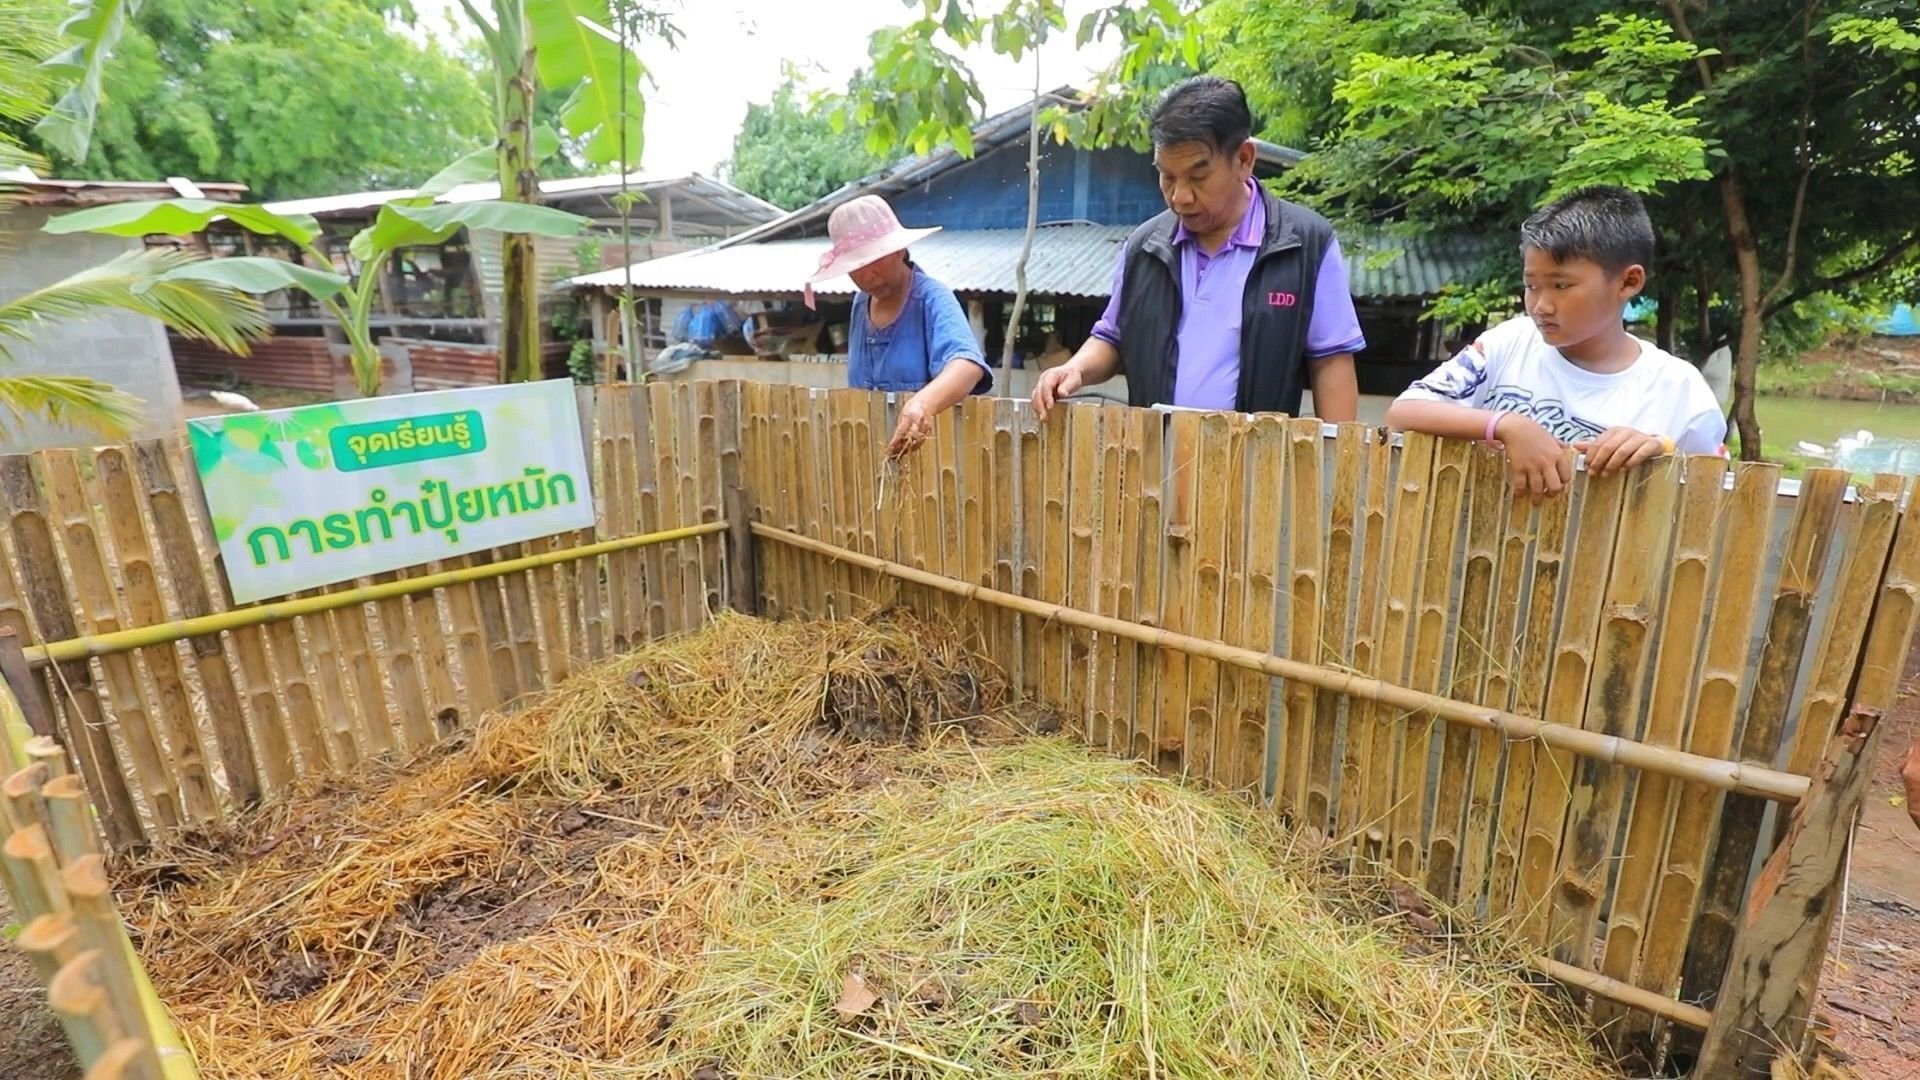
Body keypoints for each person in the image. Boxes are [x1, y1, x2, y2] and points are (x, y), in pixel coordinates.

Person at [1031, 76, 1366, 420]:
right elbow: (1114, 337)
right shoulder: (1144, 248)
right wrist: (1076, 369)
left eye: (1198, 177)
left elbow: (1330, 363)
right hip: (1154, 463)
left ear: (1244, 159)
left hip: (1253, 465)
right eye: (1167, 177)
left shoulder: (1305, 244)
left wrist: (1337, 459)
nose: (1180, 196)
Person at [1385, 186, 1726, 501]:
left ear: (1629, 281)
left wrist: (1661, 449)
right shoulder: (1508, 344)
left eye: (1561, 286)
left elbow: (1709, 495)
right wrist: (1507, 425)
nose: (1541, 305)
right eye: (1532, 286)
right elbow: (1404, 411)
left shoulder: (1680, 391)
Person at [804, 194, 989, 456]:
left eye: (874, 260)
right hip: (868, 458)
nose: (867, 275)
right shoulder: (860, 305)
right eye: (856, 266)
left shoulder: (932, 299)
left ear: (899, 250)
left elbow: (968, 367)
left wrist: (923, 404)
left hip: (930, 467)